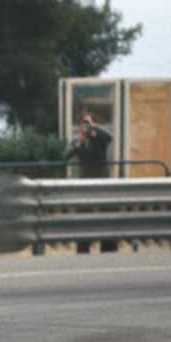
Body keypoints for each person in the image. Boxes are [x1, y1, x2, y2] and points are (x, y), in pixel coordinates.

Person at [65, 107, 117, 253]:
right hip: (85, 184)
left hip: (103, 183)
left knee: (106, 216)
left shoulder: (99, 137)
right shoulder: (77, 140)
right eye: (83, 123)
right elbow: (66, 156)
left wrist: (94, 128)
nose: (85, 126)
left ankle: (108, 249)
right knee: (84, 216)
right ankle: (83, 249)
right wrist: (79, 143)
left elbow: (109, 137)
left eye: (87, 123)